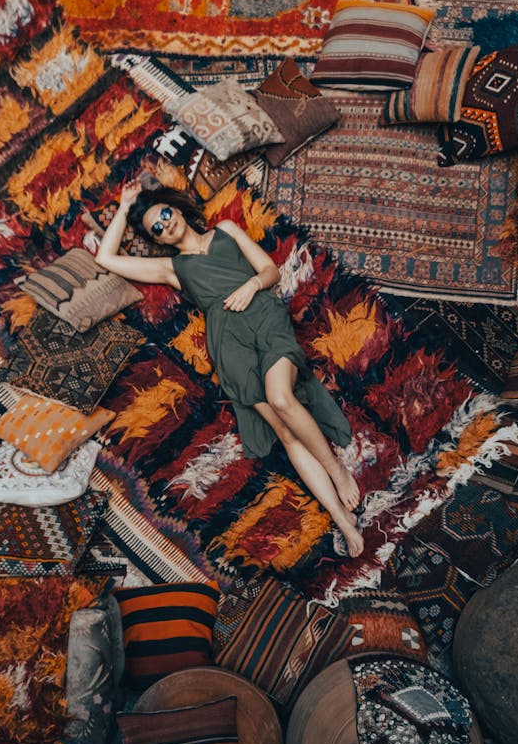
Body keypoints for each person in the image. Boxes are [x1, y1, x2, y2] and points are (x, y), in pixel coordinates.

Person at [95, 180, 364, 557]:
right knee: (285, 433)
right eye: (156, 228)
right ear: (157, 238)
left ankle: (336, 471)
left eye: (165, 215)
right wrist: (124, 209)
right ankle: (340, 517)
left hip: (265, 318)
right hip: (229, 346)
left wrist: (250, 286)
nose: (165, 226)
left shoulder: (225, 229)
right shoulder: (172, 268)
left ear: (176, 208)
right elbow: (105, 260)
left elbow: (270, 271)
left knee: (282, 398)